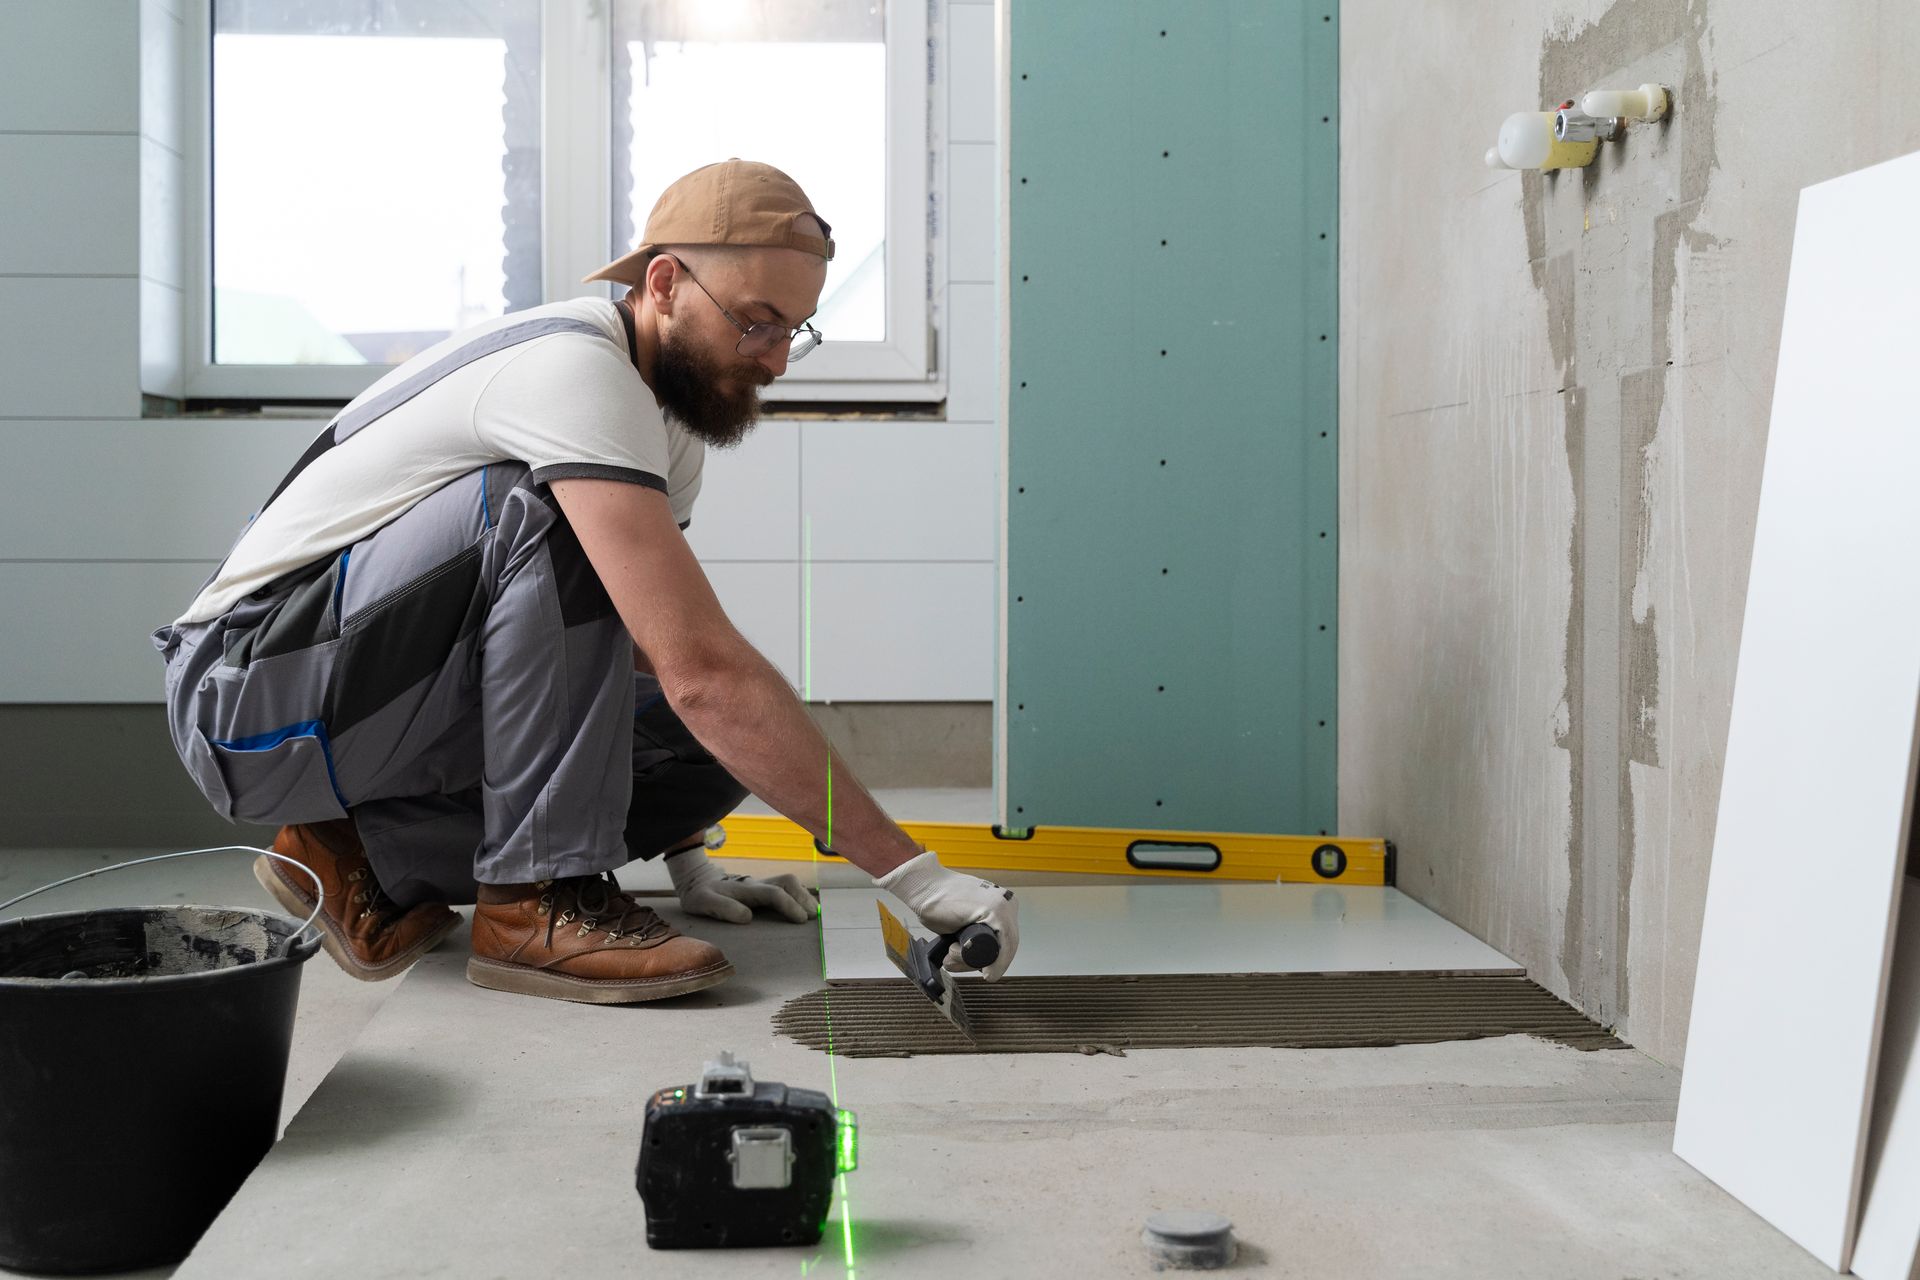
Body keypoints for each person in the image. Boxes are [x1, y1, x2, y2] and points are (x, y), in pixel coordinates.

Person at [152, 158, 1020, 1004]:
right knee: (565, 532)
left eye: (795, 330)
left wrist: (690, 861)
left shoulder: (666, 422)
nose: (777, 360)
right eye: (756, 323)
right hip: (245, 695)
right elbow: (701, 668)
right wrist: (914, 876)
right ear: (667, 283)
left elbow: (637, 651)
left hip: (364, 699)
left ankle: (359, 854)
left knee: (708, 747)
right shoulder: (574, 369)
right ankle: (537, 902)